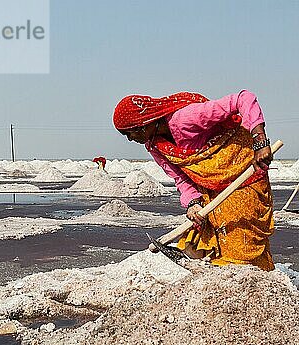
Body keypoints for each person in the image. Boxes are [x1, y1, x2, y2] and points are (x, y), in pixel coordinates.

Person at [113, 90, 274, 270]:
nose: (130, 139)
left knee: (240, 235)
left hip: (245, 172)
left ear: (143, 124)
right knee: (204, 236)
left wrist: (260, 140)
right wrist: (193, 203)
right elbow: (180, 178)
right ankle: (218, 281)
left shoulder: (186, 118)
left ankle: (252, 281)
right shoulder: (154, 145)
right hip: (209, 185)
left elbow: (243, 98)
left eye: (130, 133)